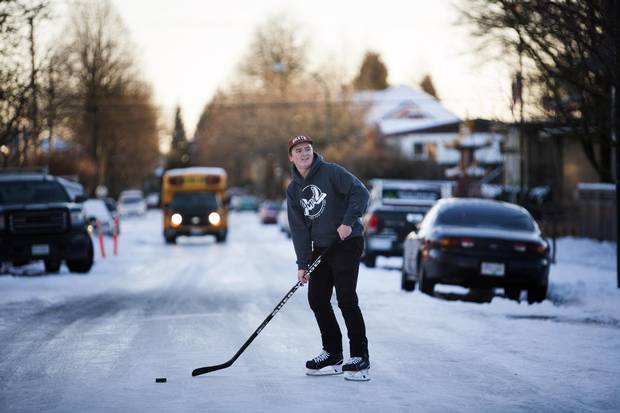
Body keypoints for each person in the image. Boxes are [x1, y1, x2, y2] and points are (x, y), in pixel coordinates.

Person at [286, 134, 371, 381]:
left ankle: (360, 356)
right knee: (317, 299)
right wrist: (303, 264)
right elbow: (299, 229)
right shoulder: (293, 190)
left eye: (307, 149)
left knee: (346, 299)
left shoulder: (331, 172)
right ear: (291, 157)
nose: (304, 153)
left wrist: (348, 222)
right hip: (322, 248)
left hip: (346, 242)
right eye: (299, 150)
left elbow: (360, 193)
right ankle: (333, 353)